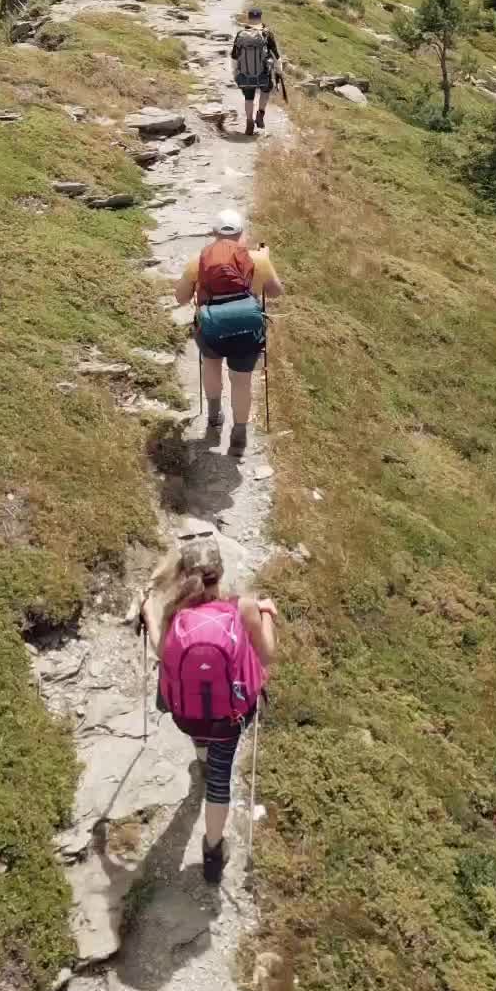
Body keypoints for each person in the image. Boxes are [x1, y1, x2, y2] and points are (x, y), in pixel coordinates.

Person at [140, 531, 278, 883]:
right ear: (220, 572)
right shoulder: (242, 606)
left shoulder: (175, 611)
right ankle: (213, 853)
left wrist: (148, 615)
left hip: (186, 716)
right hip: (230, 717)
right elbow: (266, 655)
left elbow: (161, 652)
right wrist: (267, 615)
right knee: (220, 780)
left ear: (183, 574)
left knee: (196, 706)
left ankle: (200, 757)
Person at [174, 205, 283, 453]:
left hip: (210, 327)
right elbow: (276, 292)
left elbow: (180, 298)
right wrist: (266, 259)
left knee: (211, 365)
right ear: (241, 232)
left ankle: (214, 417)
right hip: (247, 328)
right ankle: (239, 436)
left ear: (214, 232)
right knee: (241, 381)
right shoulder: (258, 260)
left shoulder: (198, 260)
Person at [231, 5, 280, 132]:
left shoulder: (241, 34)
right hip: (263, 73)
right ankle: (260, 114)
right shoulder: (267, 33)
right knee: (265, 91)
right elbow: (276, 55)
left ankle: (249, 122)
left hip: (245, 74)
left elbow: (234, 57)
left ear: (249, 18)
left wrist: (235, 73)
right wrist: (279, 71)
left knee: (249, 97)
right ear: (260, 17)